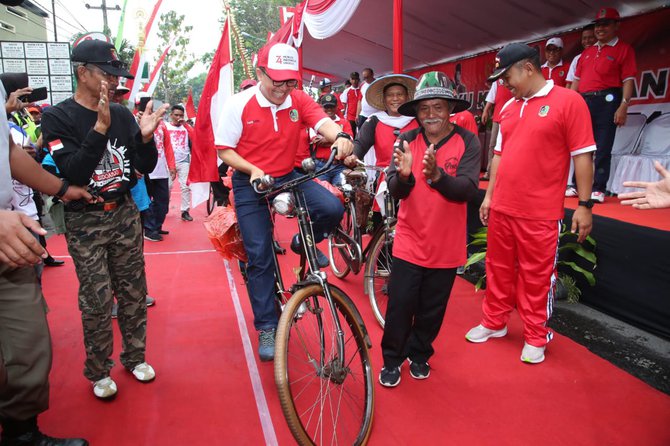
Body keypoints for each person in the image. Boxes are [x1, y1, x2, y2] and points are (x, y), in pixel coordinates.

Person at [40, 39, 169, 399]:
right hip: (86, 220)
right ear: (82, 73)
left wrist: (144, 140)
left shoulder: (124, 114)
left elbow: (142, 166)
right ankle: (99, 369)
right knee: (96, 299)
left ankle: (135, 357)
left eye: (116, 75)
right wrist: (99, 128)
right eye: (106, 74)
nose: (113, 82)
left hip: (124, 213)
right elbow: (74, 174)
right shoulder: (57, 117)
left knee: (133, 291)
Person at [214, 42, 354, 362]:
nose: (283, 88)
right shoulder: (239, 104)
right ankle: (266, 325)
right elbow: (224, 150)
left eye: (289, 80)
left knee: (332, 208)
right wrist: (251, 169)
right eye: (276, 79)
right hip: (250, 181)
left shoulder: (298, 99)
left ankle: (301, 241)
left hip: (287, 174)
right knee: (259, 254)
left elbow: (323, 122)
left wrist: (342, 137)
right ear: (260, 73)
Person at [465, 43, 595, 364]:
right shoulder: (508, 107)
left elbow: (583, 156)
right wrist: (490, 196)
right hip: (503, 208)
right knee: (497, 269)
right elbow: (498, 155)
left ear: (528, 68)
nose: (504, 84)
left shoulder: (569, 102)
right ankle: (494, 322)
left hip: (540, 213)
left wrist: (584, 204)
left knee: (537, 276)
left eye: (506, 75)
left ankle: (536, 335)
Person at [1, 61, 91, 445]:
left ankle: (22, 434)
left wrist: (61, 189)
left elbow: (8, 152)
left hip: (10, 243)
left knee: (28, 346)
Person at [377, 71, 480, 387]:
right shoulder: (407, 140)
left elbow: (467, 190)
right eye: (424, 108)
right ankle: (392, 360)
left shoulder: (468, 141)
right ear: (416, 112)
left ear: (450, 108)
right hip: (409, 239)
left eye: (438, 107)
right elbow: (396, 189)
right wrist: (405, 176)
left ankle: (419, 353)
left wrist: (436, 176)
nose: (431, 114)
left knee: (432, 309)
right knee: (399, 305)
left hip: (446, 245)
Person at [572, 7, 637, 203]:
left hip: (608, 101)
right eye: (598, 25)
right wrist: (570, 102)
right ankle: (576, 185)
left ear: (616, 26)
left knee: (602, 146)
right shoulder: (587, 53)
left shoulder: (624, 49)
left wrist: (623, 105)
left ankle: (598, 187)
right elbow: (576, 81)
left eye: (605, 24)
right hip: (584, 101)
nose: (600, 28)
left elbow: (628, 79)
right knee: (581, 146)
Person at [132, 93, 176, 241]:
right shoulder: (133, 122)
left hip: (161, 170)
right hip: (144, 171)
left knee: (162, 201)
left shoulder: (161, 124)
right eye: (142, 105)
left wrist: (171, 165)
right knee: (148, 202)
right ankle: (149, 229)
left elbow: (167, 146)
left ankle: (157, 225)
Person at [565, 25, 597, 196]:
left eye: (589, 37)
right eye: (584, 38)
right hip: (581, 102)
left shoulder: (617, 50)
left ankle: (596, 189)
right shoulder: (580, 58)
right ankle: (572, 184)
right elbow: (571, 84)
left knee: (590, 148)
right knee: (574, 149)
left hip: (602, 103)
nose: (587, 41)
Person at [309, 93, 353, 186]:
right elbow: (316, 141)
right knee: (322, 193)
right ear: (321, 107)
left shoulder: (344, 122)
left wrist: (325, 139)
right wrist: (339, 140)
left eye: (332, 106)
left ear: (337, 106)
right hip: (321, 166)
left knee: (342, 193)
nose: (329, 109)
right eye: (326, 107)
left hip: (339, 166)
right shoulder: (315, 123)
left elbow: (349, 142)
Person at [164, 105, 194, 221]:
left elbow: (195, 136)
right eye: (176, 115)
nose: (178, 118)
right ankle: (163, 208)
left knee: (185, 186)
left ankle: (185, 211)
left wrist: (186, 124)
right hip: (168, 162)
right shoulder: (165, 127)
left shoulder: (187, 127)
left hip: (184, 160)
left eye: (181, 115)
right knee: (167, 186)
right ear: (171, 115)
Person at [481, 78, 513, 180]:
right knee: (493, 145)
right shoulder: (497, 82)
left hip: (512, 117)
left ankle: (505, 174)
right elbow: (491, 98)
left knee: (509, 146)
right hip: (497, 118)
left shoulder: (515, 78)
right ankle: (489, 173)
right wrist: (485, 111)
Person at [341, 71, 361, 138]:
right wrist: (343, 117)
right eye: (352, 79)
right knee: (351, 134)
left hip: (361, 115)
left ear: (358, 79)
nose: (354, 81)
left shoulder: (362, 89)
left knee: (361, 134)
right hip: (350, 117)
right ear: (350, 80)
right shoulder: (347, 91)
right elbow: (344, 104)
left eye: (356, 79)